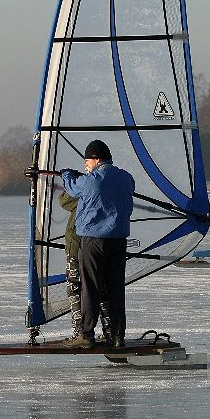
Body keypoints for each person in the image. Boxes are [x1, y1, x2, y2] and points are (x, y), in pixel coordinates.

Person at [60, 140, 135, 348]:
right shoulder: (127, 178)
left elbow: (72, 188)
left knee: (90, 287)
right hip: (119, 241)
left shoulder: (91, 180)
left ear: (96, 159)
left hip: (93, 241)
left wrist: (66, 173)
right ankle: (118, 336)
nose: (86, 166)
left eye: (87, 161)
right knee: (116, 289)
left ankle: (86, 334)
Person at [58, 190, 112, 343]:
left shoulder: (84, 195)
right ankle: (110, 332)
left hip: (77, 250)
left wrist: (70, 185)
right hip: (99, 248)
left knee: (74, 289)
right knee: (101, 289)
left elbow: (64, 200)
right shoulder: (104, 193)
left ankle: (80, 332)